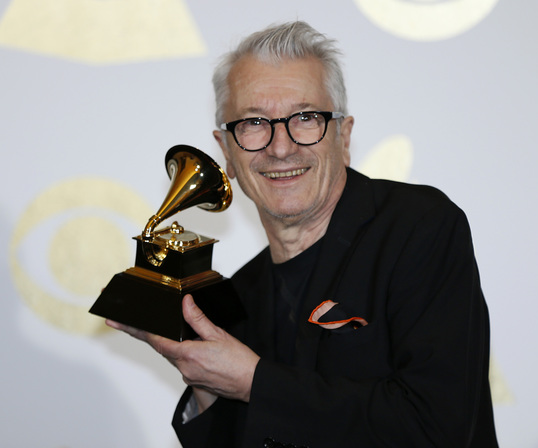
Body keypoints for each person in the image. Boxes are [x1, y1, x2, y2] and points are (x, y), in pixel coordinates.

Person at [108, 21, 499, 448]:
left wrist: (254, 382)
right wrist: (205, 380)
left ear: (344, 137)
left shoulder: (419, 227)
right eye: (254, 122)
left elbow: (437, 427)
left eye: (306, 118)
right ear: (227, 153)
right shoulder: (240, 295)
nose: (280, 147)